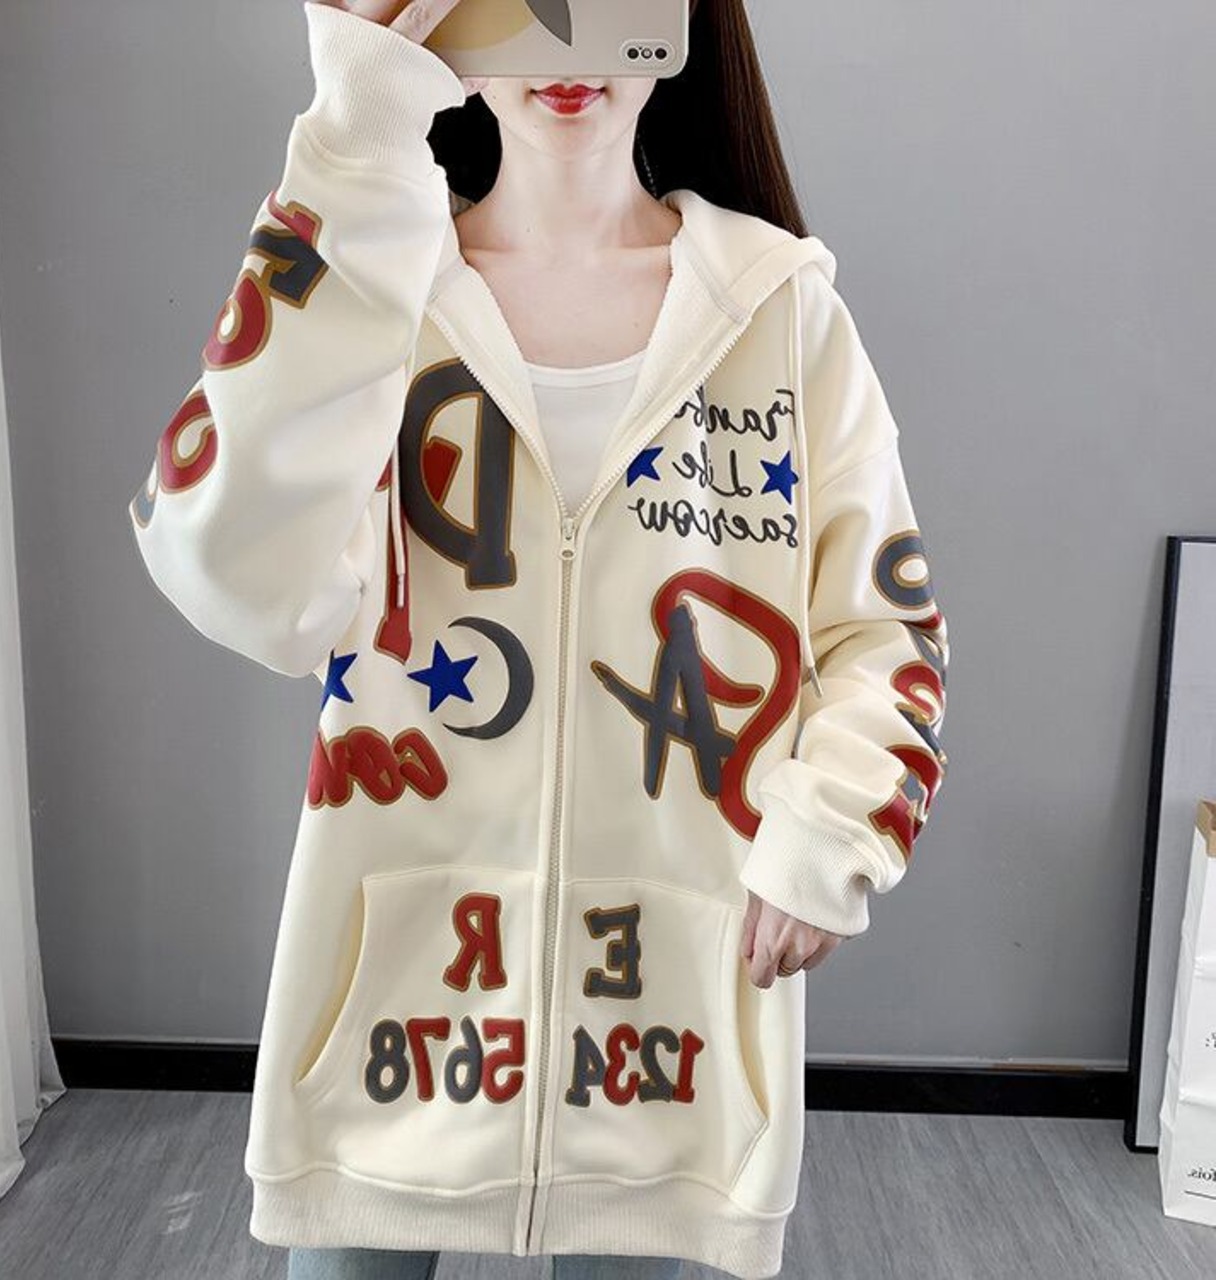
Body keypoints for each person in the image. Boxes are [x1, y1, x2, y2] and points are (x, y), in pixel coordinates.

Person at [126, 0, 950, 1277]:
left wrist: (828, 832)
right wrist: (358, 122)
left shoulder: (781, 312)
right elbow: (227, 565)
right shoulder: (374, 285)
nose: (565, 37)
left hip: (669, 1032)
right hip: (389, 1015)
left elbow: (880, 624)